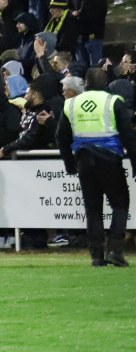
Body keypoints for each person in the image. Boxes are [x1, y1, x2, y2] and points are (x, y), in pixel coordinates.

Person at [56, 67, 136, 267]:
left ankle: (96, 255)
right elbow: (129, 136)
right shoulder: (113, 101)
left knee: (92, 208)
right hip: (110, 159)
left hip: (84, 160)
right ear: (106, 83)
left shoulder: (71, 104)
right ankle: (115, 250)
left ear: (86, 83)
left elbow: (61, 137)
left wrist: (69, 163)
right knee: (120, 203)